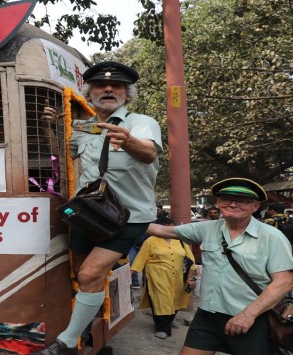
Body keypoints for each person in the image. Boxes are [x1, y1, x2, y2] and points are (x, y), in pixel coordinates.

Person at [34, 61, 163, 355]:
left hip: (127, 217)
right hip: (90, 213)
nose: (108, 89)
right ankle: (92, 324)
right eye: (100, 86)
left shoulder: (140, 122)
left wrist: (128, 141)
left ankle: (65, 343)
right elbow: (57, 155)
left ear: (127, 94)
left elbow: (149, 152)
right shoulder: (83, 127)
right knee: (82, 273)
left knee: (91, 275)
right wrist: (48, 126)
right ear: (89, 94)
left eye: (116, 86)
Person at [146, 177, 293, 355]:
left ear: (255, 206)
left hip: (251, 319)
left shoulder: (272, 237)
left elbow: (284, 282)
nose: (232, 204)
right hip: (207, 316)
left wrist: (248, 315)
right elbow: (162, 230)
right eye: (226, 199)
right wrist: (118, 217)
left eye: (241, 200)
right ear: (218, 202)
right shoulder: (207, 228)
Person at [131, 215, 195, 339]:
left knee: (175, 300)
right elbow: (140, 260)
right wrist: (129, 275)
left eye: (172, 229)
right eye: (167, 229)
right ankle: (162, 328)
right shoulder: (150, 241)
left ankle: (168, 321)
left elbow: (190, 259)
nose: (170, 232)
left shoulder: (180, 240)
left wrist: (190, 278)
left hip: (177, 278)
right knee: (160, 301)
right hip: (157, 277)